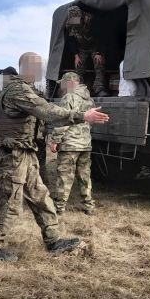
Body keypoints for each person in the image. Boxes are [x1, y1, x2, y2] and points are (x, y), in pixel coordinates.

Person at [0, 52, 109, 262]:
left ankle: (53, 239)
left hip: (26, 153)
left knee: (40, 196)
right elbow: (46, 111)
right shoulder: (17, 90)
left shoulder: (26, 89)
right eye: (35, 67)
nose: (39, 71)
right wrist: (82, 116)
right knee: (9, 199)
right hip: (14, 156)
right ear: (25, 67)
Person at [49, 72, 96, 215]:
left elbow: (62, 120)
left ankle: (59, 207)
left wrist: (55, 140)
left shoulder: (68, 97)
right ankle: (88, 205)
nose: (62, 86)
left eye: (63, 83)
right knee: (84, 175)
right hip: (85, 143)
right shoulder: (89, 99)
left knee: (65, 176)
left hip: (70, 144)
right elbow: (91, 122)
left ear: (69, 82)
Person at [66, 5, 108, 97]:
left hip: (95, 46)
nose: (76, 22)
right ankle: (78, 90)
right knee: (78, 65)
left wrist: (99, 53)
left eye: (78, 19)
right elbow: (71, 40)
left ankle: (99, 88)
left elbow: (102, 37)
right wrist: (76, 55)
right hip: (82, 46)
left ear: (81, 17)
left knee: (99, 63)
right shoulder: (69, 24)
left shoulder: (92, 20)